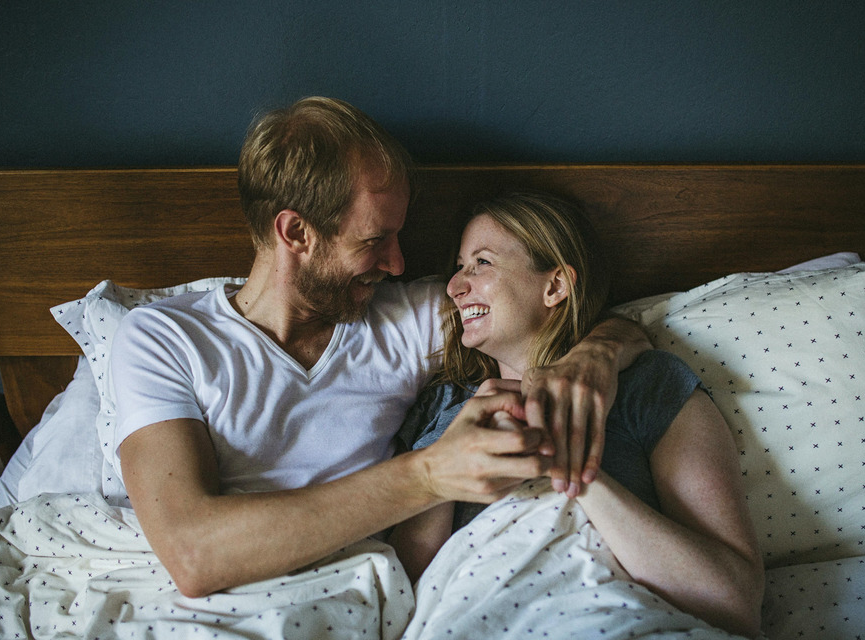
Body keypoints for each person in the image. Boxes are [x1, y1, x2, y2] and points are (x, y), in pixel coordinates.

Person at [107, 97, 652, 599]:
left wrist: (594, 357)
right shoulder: (164, 338)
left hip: (364, 602)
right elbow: (193, 556)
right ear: (296, 232)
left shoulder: (410, 318)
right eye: (374, 242)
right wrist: (430, 473)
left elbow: (562, 314)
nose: (397, 264)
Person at [389, 192, 764, 638]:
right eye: (459, 265)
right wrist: (455, 452)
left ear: (555, 286)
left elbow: (735, 602)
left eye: (481, 263)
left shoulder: (648, 385)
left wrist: (566, 462)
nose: (453, 286)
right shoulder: (441, 405)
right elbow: (408, 588)